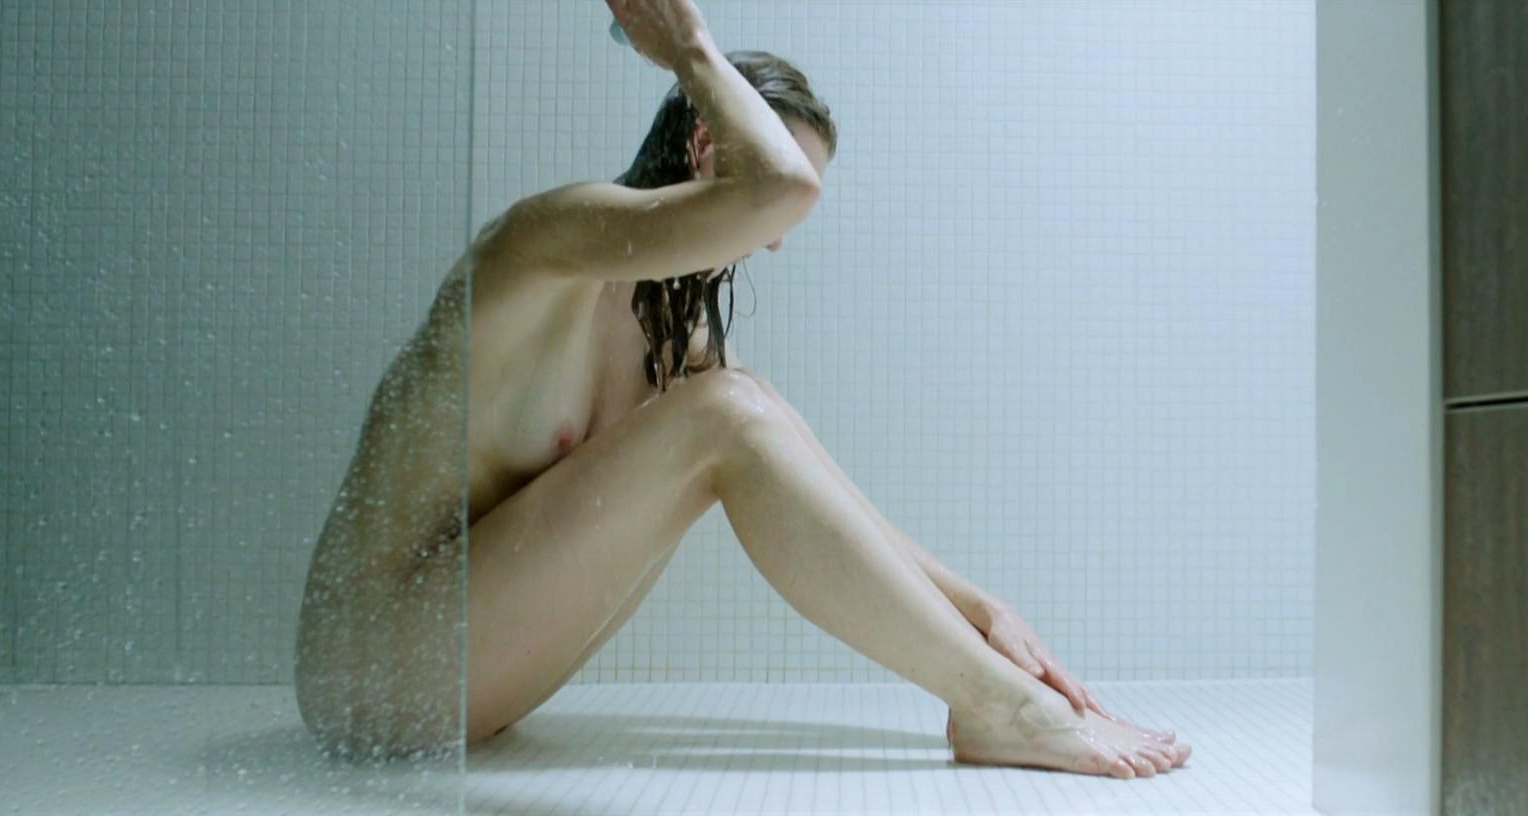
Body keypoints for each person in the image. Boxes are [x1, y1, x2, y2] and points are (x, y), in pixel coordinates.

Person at [294, 0, 1189, 780]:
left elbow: (805, 474)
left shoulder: (670, 343)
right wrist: (688, 48)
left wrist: (981, 606)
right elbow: (779, 192)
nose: (779, 239)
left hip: (464, 684)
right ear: (706, 145)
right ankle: (1003, 709)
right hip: (373, 671)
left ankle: (990, 694)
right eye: (788, 188)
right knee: (728, 412)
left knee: (742, 401)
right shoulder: (543, 244)